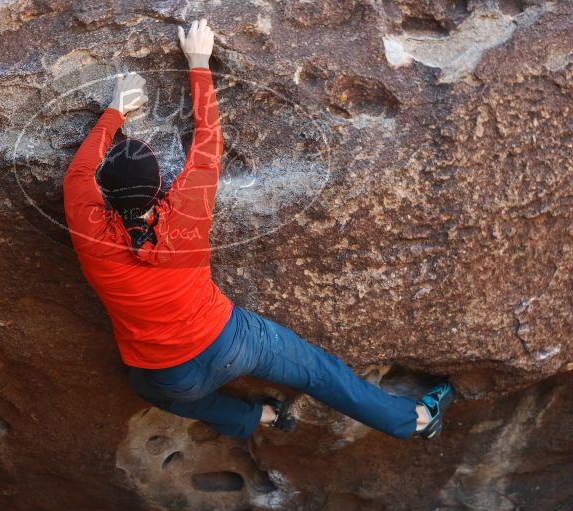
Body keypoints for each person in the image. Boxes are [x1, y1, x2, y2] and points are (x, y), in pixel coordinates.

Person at [63, 18, 455, 441]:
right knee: (319, 373)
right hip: (232, 342)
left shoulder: (91, 233)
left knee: (145, 385)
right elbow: (208, 144)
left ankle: (260, 418)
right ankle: (413, 419)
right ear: (161, 185)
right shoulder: (185, 213)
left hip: (172, 376)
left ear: (104, 194)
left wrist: (114, 111)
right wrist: (198, 62)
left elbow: (77, 173)